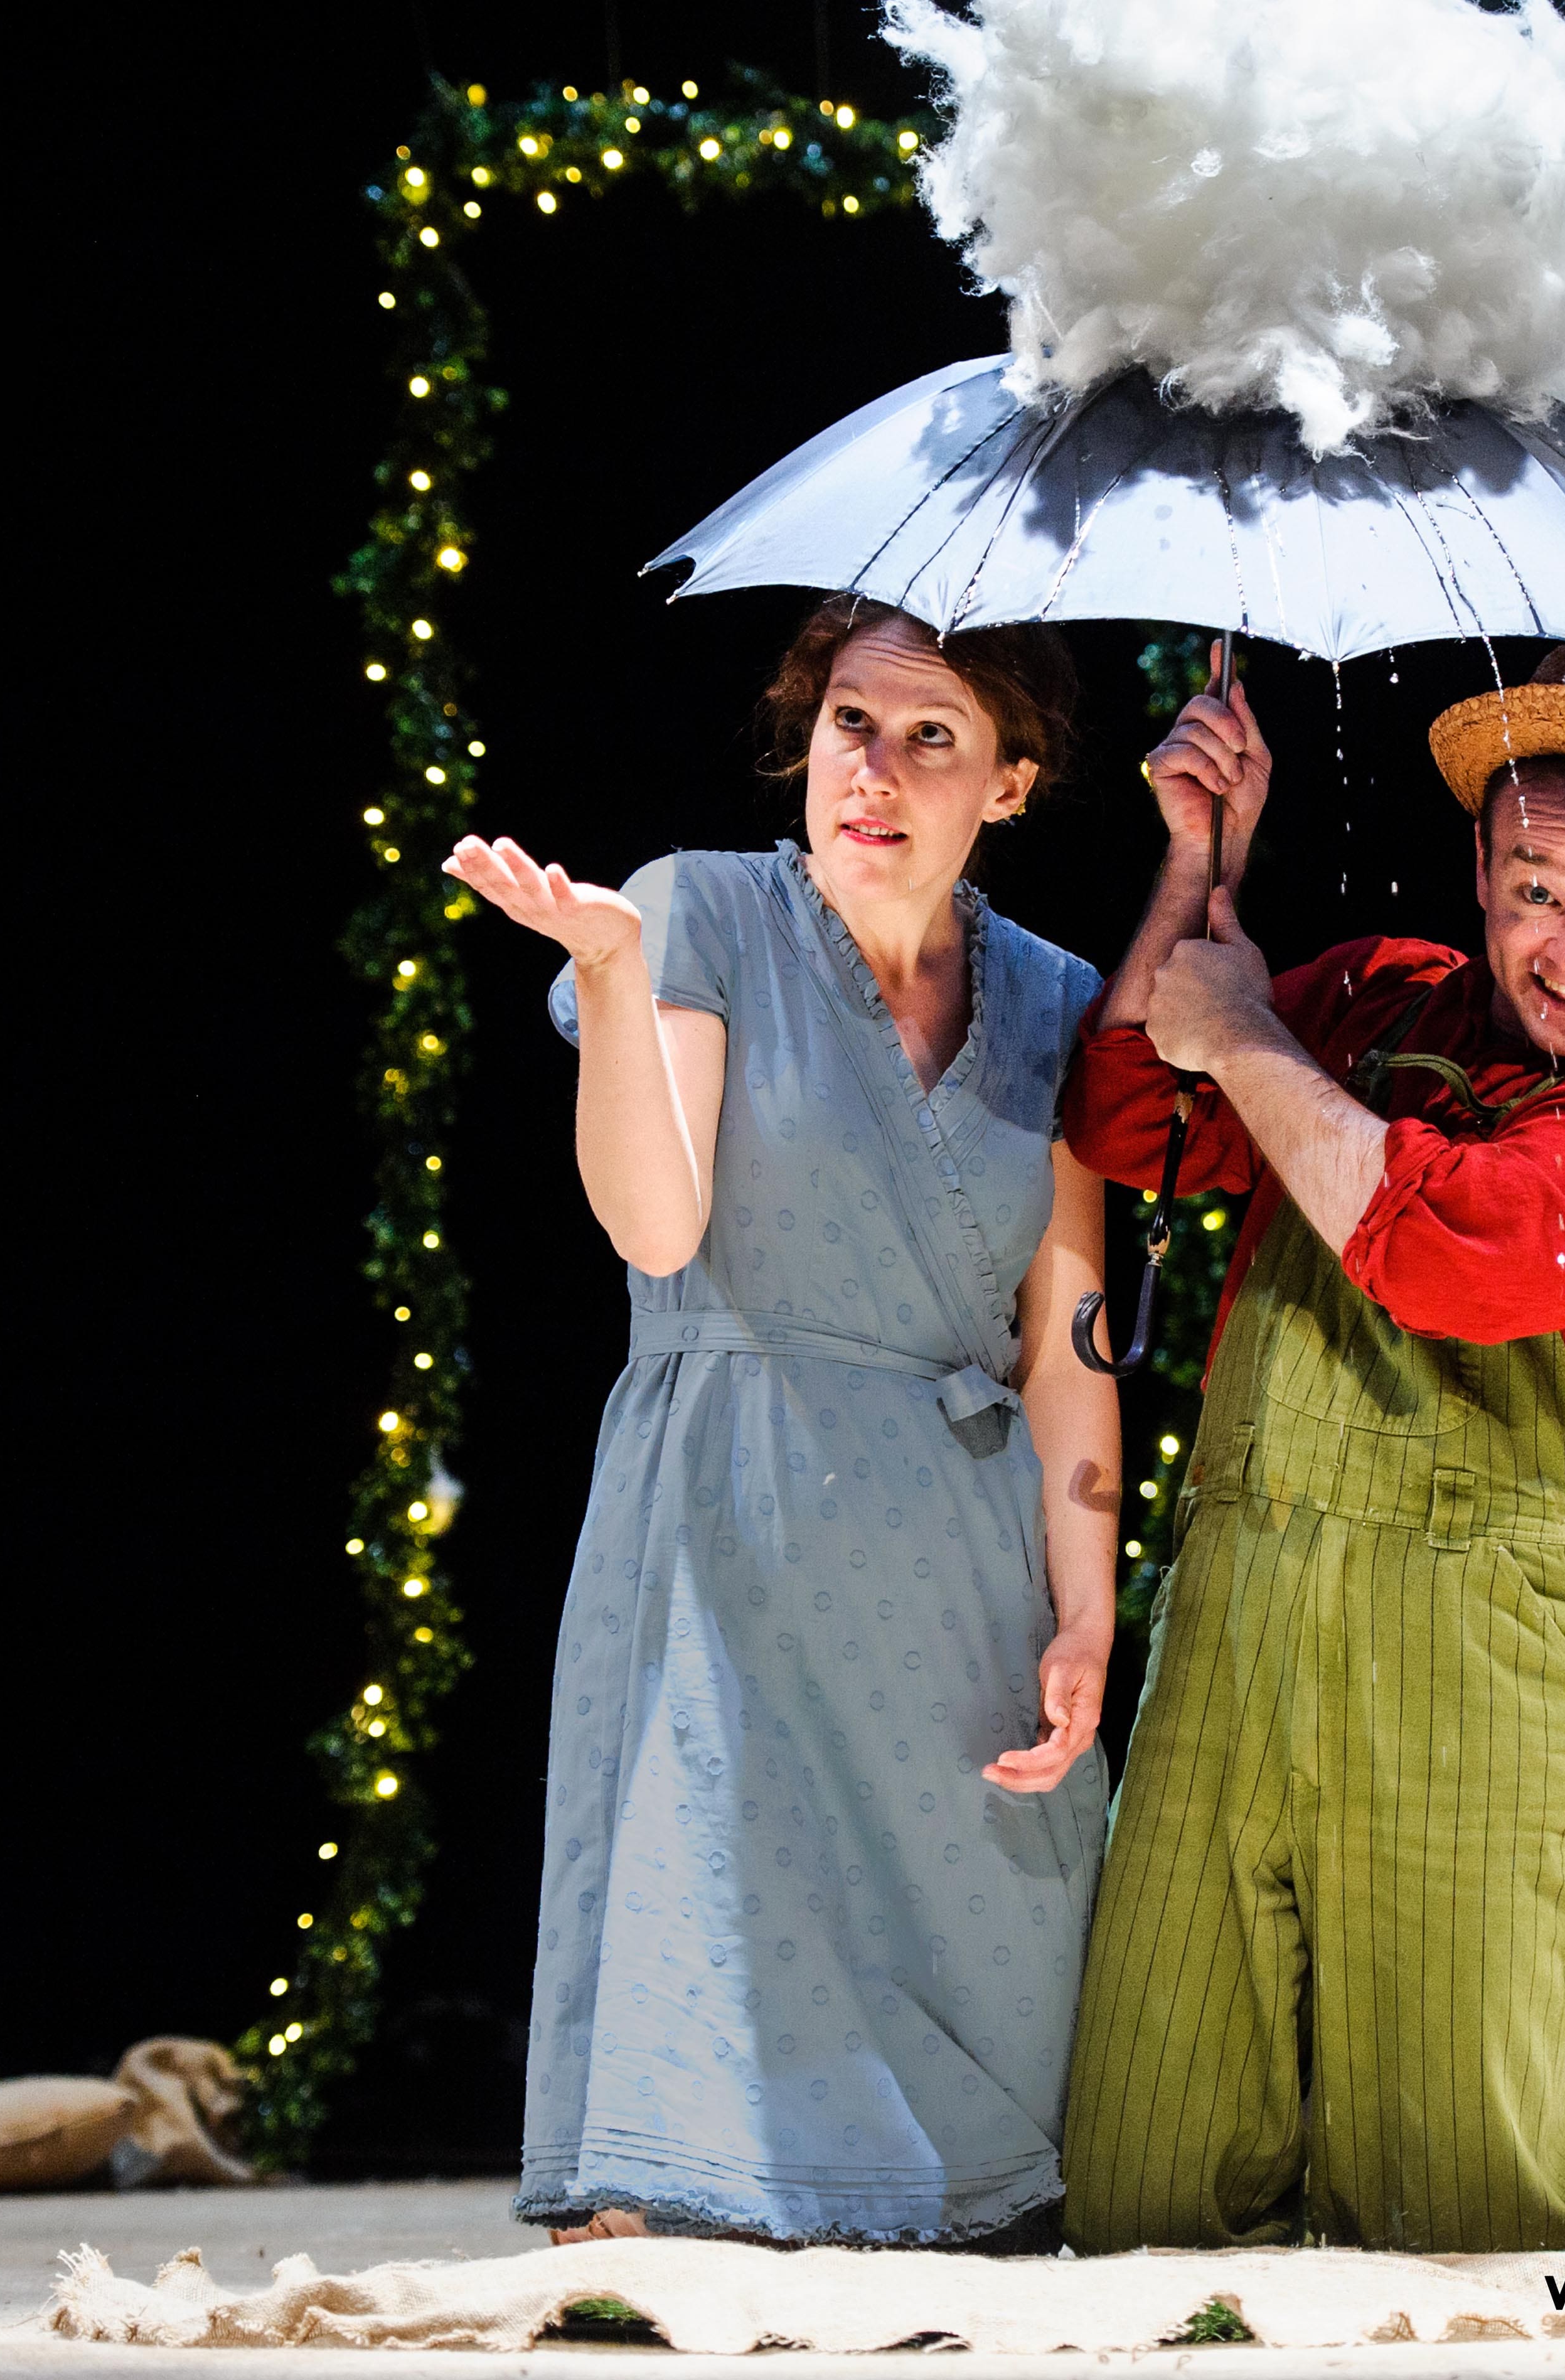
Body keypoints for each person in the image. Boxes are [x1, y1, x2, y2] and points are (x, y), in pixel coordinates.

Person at [1060, 642, 1565, 2258]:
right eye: (1534, 891)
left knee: (1448, 2204)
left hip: (1484, 1646)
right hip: (1238, 1615)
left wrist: (1250, 1045)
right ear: (1479, 866)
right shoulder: (1375, 997)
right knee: (1140, 2180)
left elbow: (1442, 1250)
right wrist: (1196, 862)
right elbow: (1124, 1115)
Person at [445, 597, 1118, 2251]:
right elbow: (655, 1225)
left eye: (930, 737)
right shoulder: (697, 912)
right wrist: (609, 976)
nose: (871, 770)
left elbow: (1067, 1344)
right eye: (847, 725)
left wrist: (1087, 1606)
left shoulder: (1056, 1002)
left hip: (954, 1562)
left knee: (1003, 2147)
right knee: (705, 2036)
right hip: (731, 1521)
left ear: (1009, 784)